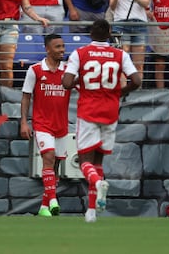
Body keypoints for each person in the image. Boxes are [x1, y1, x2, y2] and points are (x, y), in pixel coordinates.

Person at [62, 19, 141, 223]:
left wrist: (81, 80)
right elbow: (137, 81)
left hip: (89, 110)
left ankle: (97, 182)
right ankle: (91, 211)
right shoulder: (120, 54)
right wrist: (118, 93)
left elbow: (66, 83)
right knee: (98, 161)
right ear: (109, 34)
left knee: (84, 161)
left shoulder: (80, 53)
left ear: (90, 34)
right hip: (110, 111)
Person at [20, 33, 70, 217]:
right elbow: (26, 96)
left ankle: (44, 206)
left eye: (63, 46)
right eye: (58, 47)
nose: (62, 50)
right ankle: (54, 201)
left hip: (61, 125)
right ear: (47, 49)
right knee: (48, 158)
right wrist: (24, 122)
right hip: (42, 124)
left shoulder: (68, 71)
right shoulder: (35, 70)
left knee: (56, 165)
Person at [108, 0, 151, 80]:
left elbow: (146, 3)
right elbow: (112, 6)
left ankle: (137, 90)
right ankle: (122, 90)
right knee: (121, 64)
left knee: (139, 64)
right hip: (120, 24)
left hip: (139, 24)